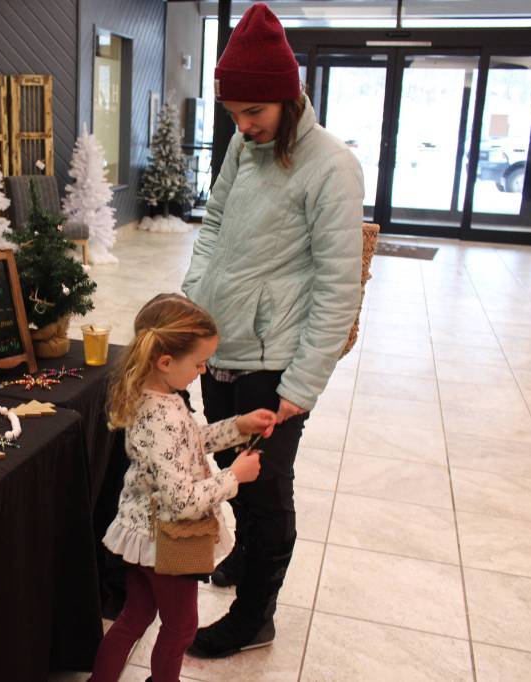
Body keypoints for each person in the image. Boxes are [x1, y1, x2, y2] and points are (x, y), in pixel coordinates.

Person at [181, 3, 364, 658]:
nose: (244, 126)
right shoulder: (243, 147)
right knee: (229, 463)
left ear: (289, 98)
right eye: (235, 114)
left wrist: (303, 383)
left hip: (275, 357)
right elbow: (213, 230)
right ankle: (244, 562)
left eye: (254, 113)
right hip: (222, 343)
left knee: (265, 488)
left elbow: (338, 286)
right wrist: (194, 307)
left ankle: (255, 615)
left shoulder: (331, 167)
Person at [89, 294, 277, 682]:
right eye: (198, 362)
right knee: (181, 628)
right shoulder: (162, 415)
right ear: (165, 361)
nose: (203, 369)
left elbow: (190, 442)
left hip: (146, 531)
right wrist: (233, 478)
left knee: (135, 616)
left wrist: (238, 426)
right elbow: (182, 499)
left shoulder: (158, 397)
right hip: (168, 537)